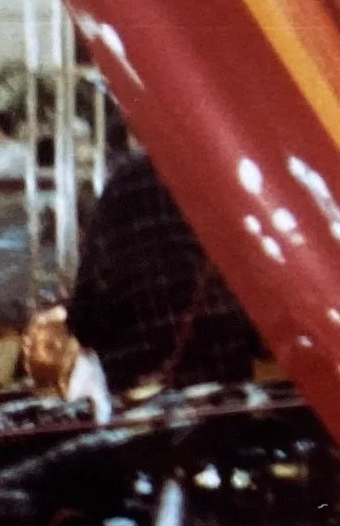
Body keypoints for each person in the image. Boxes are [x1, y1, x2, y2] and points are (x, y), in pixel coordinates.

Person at [67, 148, 263, 396]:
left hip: (138, 385)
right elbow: (261, 299)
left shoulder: (124, 187)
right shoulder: (231, 181)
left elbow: (86, 310)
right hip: (223, 382)